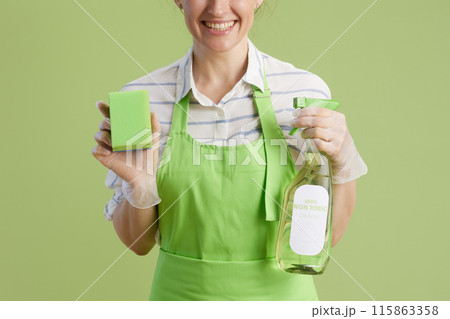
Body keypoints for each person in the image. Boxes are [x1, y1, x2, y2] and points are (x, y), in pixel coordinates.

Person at [91, 0, 368, 301]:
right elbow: (138, 243)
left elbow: (322, 239)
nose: (218, 8)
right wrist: (139, 185)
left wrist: (344, 160)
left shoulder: (303, 93)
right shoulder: (144, 100)